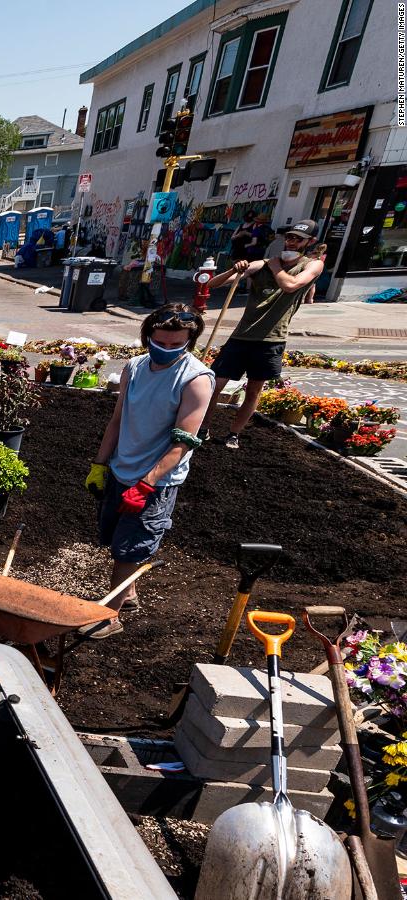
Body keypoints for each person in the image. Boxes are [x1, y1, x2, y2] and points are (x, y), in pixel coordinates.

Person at [83, 304, 214, 639]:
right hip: (121, 467)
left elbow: (182, 443)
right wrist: (100, 463)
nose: (167, 350)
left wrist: (146, 484)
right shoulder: (136, 367)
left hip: (156, 480)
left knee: (130, 548)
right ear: (148, 336)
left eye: (176, 345)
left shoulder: (195, 380)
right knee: (116, 538)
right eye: (161, 343)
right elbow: (117, 419)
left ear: (189, 340)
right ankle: (129, 594)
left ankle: (108, 616)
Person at [202, 219, 325, 449]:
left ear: (310, 242)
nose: (291, 242)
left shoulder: (313, 265)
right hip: (242, 336)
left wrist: (276, 265)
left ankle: (233, 434)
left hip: (271, 339)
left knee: (253, 390)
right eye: (289, 237)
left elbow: (291, 286)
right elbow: (213, 285)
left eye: (298, 239)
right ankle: (203, 428)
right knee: (214, 385)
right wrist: (235, 269)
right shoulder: (262, 264)